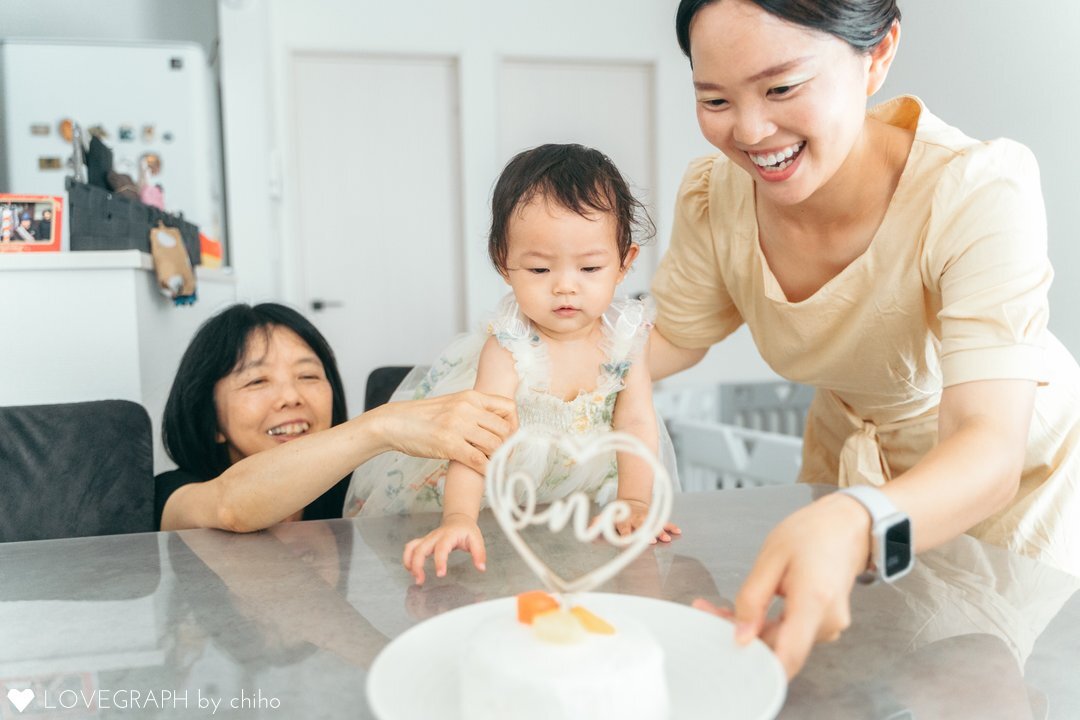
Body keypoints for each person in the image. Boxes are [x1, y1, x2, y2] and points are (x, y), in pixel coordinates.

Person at [652, 0, 1080, 679]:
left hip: (1000, 483)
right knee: (831, 672)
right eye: (714, 98)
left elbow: (988, 446)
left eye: (782, 87)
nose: (751, 130)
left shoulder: (974, 190)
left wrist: (857, 522)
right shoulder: (717, 195)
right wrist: (516, 362)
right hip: (851, 458)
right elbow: (662, 340)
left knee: (969, 677)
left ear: (877, 54)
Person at [343, 144, 681, 583]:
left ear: (624, 264)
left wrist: (635, 502)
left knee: (588, 584)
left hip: (584, 493)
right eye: (540, 270)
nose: (565, 287)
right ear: (504, 263)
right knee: (506, 583)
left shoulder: (628, 338)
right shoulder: (509, 347)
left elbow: (635, 422)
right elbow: (476, 440)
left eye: (590, 268)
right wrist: (460, 517)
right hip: (502, 491)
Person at [156, 302, 517, 532]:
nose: (291, 397)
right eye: (257, 380)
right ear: (211, 418)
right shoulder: (173, 492)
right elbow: (229, 507)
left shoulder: (362, 493)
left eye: (309, 375)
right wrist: (380, 425)